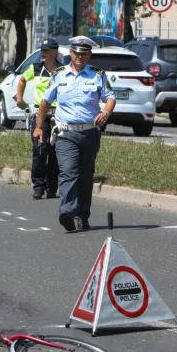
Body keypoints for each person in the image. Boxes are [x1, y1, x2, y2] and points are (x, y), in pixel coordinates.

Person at [33, 36, 116, 232]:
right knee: (69, 171)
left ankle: (82, 215)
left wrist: (105, 113)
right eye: (76, 53)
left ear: (89, 54)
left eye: (84, 53)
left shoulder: (98, 75)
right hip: (65, 133)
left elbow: (111, 98)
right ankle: (67, 212)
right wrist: (38, 127)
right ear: (70, 53)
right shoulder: (59, 74)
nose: (79, 57)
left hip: (89, 133)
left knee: (85, 176)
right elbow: (45, 102)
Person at [15, 38, 63, 199]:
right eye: (42, 50)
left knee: (56, 152)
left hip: (58, 115)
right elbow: (22, 80)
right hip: (40, 115)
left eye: (47, 50)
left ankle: (52, 187)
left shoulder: (63, 70)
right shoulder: (35, 68)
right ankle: (38, 185)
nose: (43, 53)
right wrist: (20, 99)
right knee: (40, 150)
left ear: (55, 52)